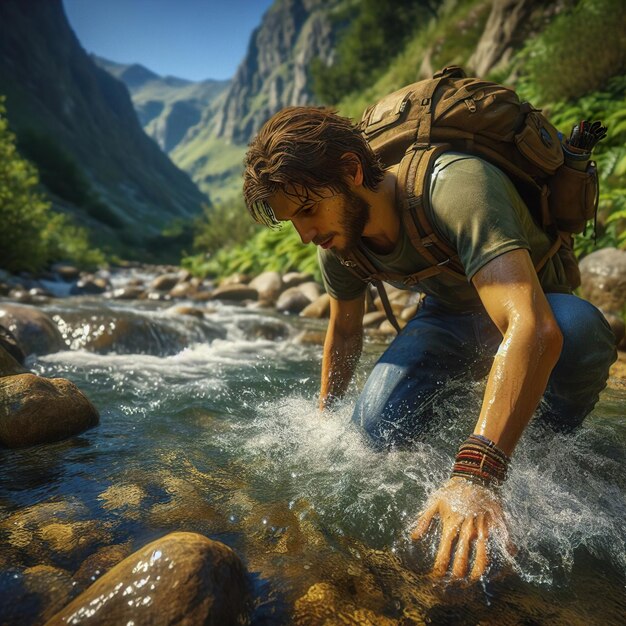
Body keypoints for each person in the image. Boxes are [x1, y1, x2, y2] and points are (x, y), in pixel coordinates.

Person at [242, 106, 617, 580]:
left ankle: (548, 435)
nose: (306, 235)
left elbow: (533, 328)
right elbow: (344, 332)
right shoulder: (339, 244)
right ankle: (494, 420)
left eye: (309, 210)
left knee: (578, 331)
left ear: (351, 171)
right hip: (446, 319)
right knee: (371, 434)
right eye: (293, 221)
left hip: (536, 299)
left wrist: (475, 476)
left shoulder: (456, 186)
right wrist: (325, 419)